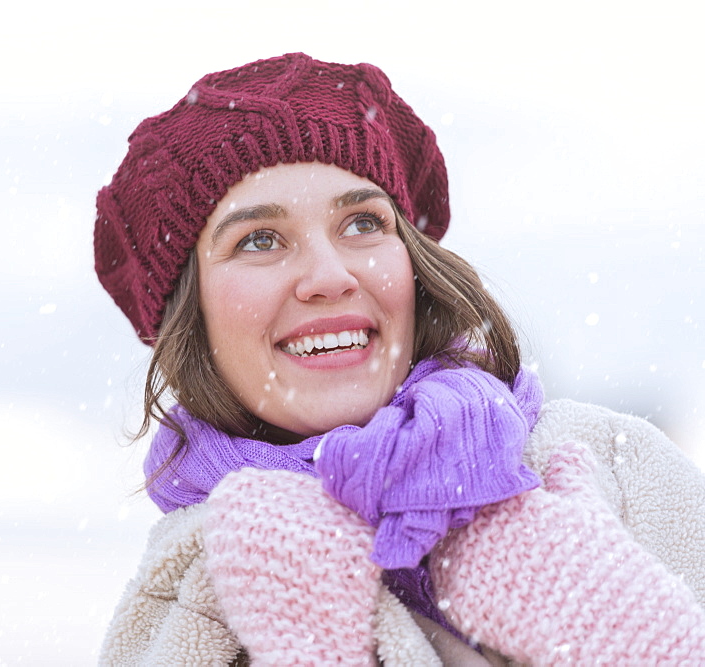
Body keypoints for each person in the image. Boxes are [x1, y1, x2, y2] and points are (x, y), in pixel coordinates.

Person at [93, 53, 705, 665]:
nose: (329, 276)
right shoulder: (185, 593)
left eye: (362, 223)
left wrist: (612, 623)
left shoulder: (615, 468)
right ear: (190, 313)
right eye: (258, 239)